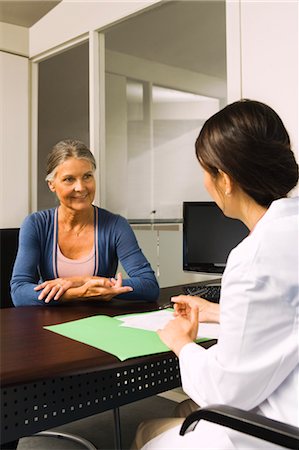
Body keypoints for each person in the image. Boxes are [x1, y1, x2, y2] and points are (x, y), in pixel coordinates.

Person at [132, 99, 299, 449]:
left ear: (224, 179)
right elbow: (288, 315)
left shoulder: (254, 257)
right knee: (183, 407)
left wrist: (181, 341)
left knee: (146, 430)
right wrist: (219, 312)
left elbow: (225, 390)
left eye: (205, 172)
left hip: (276, 432)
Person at [11, 139, 159, 306]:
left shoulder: (116, 225)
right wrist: (74, 294)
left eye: (87, 176)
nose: (81, 187)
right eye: (69, 179)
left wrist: (83, 280)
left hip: (99, 323)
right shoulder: (36, 224)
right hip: (50, 325)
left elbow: (149, 286)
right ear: (51, 184)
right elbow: (19, 293)